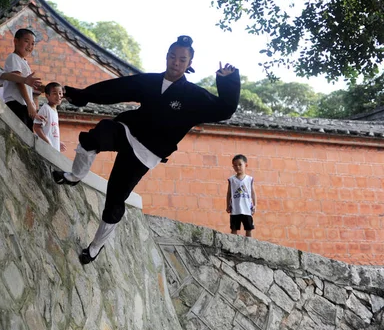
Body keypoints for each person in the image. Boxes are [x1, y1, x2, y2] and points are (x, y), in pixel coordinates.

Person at [52, 35, 241, 265]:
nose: (176, 62)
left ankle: (95, 247)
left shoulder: (194, 96)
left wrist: (228, 82)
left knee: (115, 199)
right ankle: (74, 176)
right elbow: (114, 90)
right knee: (97, 135)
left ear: (189, 64)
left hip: (146, 152)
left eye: (182, 59)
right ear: (167, 57)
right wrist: (79, 95)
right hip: (128, 131)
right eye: (172, 57)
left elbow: (225, 109)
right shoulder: (150, 81)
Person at [2, 28, 38, 130]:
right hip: (16, 104)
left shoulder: (24, 62)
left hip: (24, 105)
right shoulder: (13, 58)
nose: (30, 46)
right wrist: (29, 103)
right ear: (16, 41)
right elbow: (19, 81)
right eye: (26, 41)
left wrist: (31, 105)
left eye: (32, 44)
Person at [226, 154, 256, 237]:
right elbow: (229, 193)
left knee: (248, 228)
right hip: (235, 209)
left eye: (240, 164)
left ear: (246, 165)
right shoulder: (231, 179)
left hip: (247, 208)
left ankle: (249, 245)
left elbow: (253, 193)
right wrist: (228, 205)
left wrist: (255, 205)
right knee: (234, 228)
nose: (237, 167)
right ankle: (233, 245)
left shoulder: (249, 179)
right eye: (235, 165)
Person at [34, 82, 67, 152]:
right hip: (45, 149)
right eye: (55, 93)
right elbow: (36, 127)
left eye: (60, 93)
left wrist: (57, 143)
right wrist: (47, 143)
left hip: (53, 149)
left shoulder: (54, 110)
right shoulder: (45, 109)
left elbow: (51, 130)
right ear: (47, 95)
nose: (58, 96)